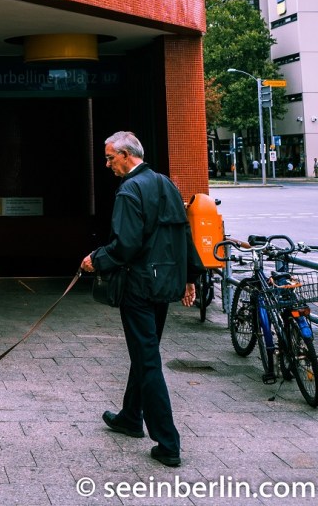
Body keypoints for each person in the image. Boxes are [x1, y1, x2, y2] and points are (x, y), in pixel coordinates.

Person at [81, 131, 202, 469]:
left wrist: (96, 259)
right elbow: (183, 233)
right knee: (145, 351)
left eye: (109, 157)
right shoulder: (166, 184)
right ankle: (130, 417)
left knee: (147, 360)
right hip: (164, 284)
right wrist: (190, 277)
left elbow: (126, 245)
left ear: (127, 154)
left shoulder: (130, 190)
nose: (107, 164)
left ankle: (168, 443)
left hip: (138, 287)